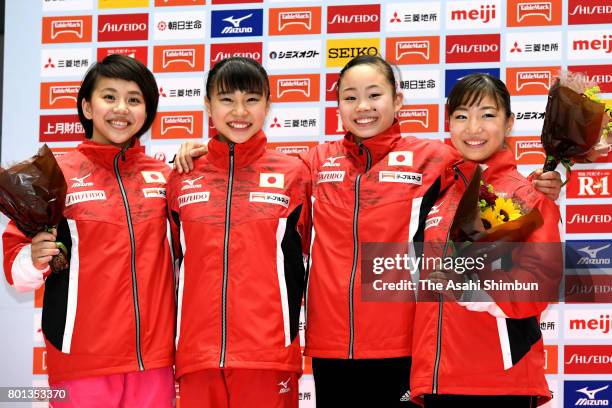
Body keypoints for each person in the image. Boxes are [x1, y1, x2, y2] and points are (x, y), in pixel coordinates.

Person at [173, 56, 561, 407]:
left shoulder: (436, 158)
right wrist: (208, 150)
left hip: (404, 344)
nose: (363, 107)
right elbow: (258, 178)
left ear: (398, 100)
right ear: (337, 106)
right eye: (350, 96)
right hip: (330, 348)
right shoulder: (313, 163)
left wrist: (546, 183)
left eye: (375, 94)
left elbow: (487, 161)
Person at [2, 54, 176, 407]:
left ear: (148, 112)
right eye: (109, 96)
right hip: (82, 359)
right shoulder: (54, 175)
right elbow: (15, 267)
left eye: (134, 99)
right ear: (86, 106)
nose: (121, 109)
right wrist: (33, 258)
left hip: (155, 360)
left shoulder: (168, 178)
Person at [409, 73, 562, 408]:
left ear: (508, 123)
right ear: (448, 123)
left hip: (499, 382)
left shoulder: (529, 195)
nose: (473, 128)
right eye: (462, 116)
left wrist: (470, 289)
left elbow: (540, 285)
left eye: (487, 115)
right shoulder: (437, 194)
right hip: (436, 380)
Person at [166, 57, 309, 408]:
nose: (239, 111)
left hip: (269, 354)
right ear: (208, 106)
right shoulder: (180, 176)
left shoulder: (295, 174)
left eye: (252, 99)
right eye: (227, 99)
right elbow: (168, 260)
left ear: (268, 105)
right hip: (197, 356)